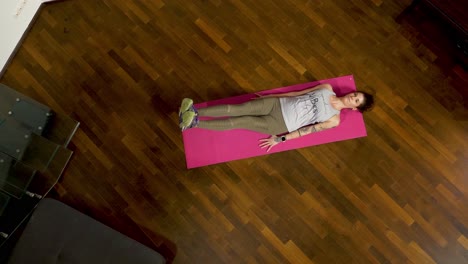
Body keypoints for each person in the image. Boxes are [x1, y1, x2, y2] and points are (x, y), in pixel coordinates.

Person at [178, 83, 374, 152]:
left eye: (356, 101)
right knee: (236, 108)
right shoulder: (327, 89)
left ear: (355, 108)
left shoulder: (334, 120)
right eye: (355, 95)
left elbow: (305, 132)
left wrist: (279, 140)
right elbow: (298, 93)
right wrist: (271, 97)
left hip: (279, 123)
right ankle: (193, 111)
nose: (352, 97)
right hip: (276, 104)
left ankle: (194, 123)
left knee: (237, 122)